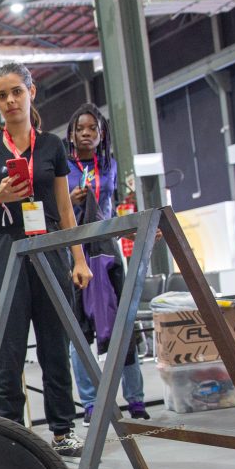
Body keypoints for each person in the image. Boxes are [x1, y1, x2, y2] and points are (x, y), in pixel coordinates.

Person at [0, 62, 93, 458]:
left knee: (55, 346)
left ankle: (63, 431)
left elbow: (66, 210)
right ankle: (12, 436)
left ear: (31, 92)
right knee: (7, 351)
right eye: (2, 95)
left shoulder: (52, 146)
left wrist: (78, 259)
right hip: (3, 252)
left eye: (17, 91)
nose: (10, 101)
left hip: (48, 249)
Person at [65, 103, 149, 425]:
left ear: (101, 135)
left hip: (109, 251)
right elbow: (55, 209)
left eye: (93, 129)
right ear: (71, 134)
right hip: (75, 252)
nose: (86, 134)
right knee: (80, 331)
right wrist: (70, 201)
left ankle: (136, 399)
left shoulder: (109, 165)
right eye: (80, 129)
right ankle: (90, 403)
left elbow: (110, 206)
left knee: (123, 323)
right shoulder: (64, 167)